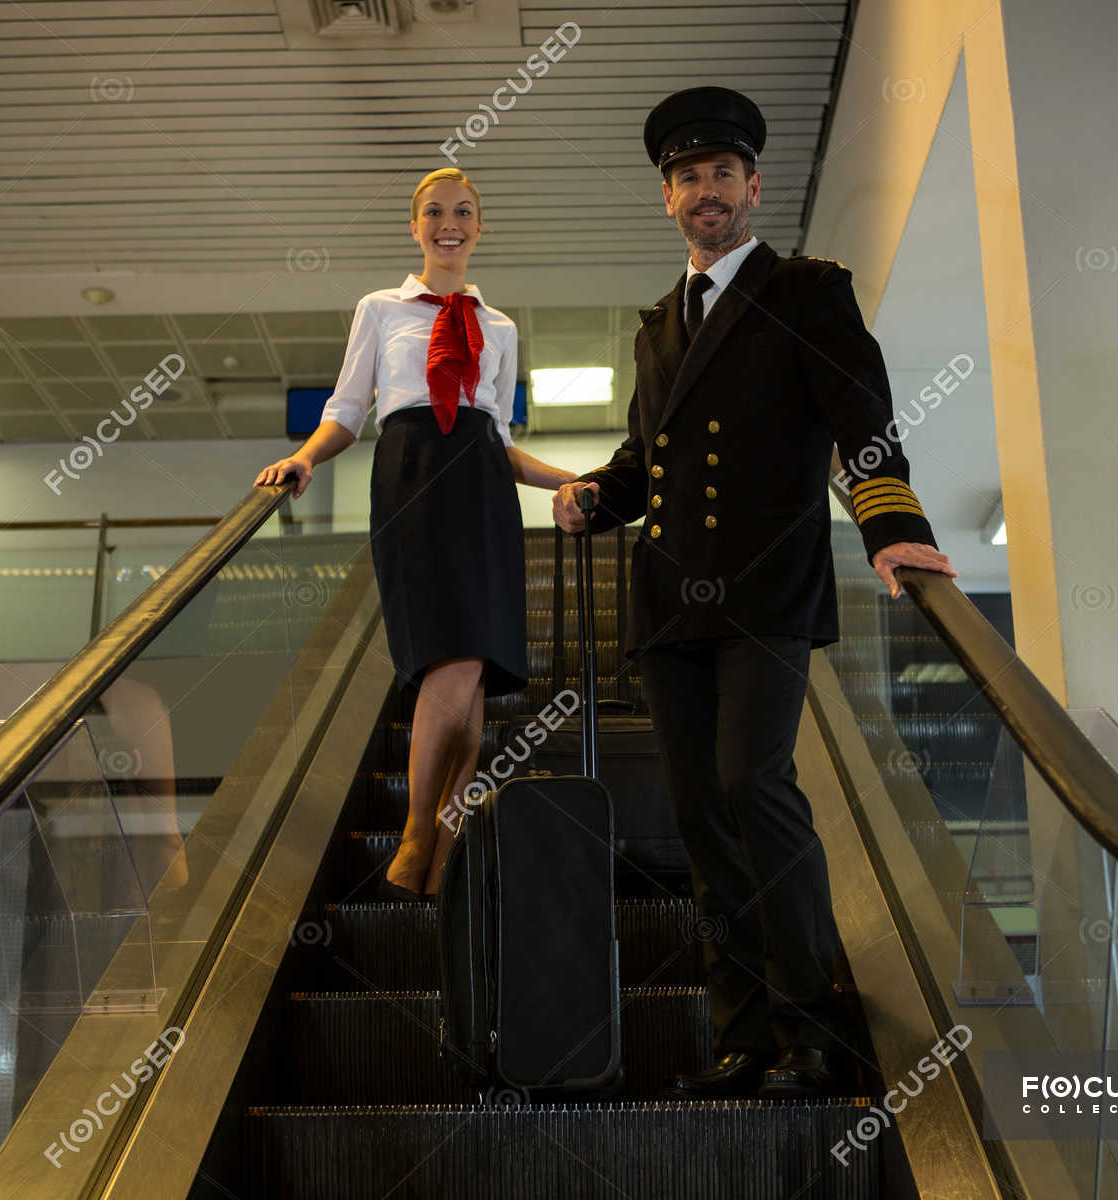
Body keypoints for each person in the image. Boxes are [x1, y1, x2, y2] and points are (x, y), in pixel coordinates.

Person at [553, 87, 957, 1097]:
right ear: (668, 198)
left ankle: (816, 1030)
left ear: (752, 186)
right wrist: (599, 497)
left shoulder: (809, 290)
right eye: (688, 179)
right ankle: (742, 1037)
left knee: (754, 786)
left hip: (767, 591)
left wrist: (893, 527)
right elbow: (650, 458)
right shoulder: (656, 325)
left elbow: (862, 415)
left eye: (722, 175)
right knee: (699, 815)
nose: (706, 192)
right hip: (670, 605)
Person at [257, 168, 576, 901]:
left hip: (484, 487)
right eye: (434, 212)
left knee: (473, 671)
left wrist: (570, 479)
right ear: (415, 226)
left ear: (480, 227)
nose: (449, 223)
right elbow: (346, 409)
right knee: (446, 657)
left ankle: (446, 830)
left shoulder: (500, 328)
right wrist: (304, 458)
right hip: (411, 476)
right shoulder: (379, 308)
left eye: (464, 211)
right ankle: (418, 828)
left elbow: (497, 436)